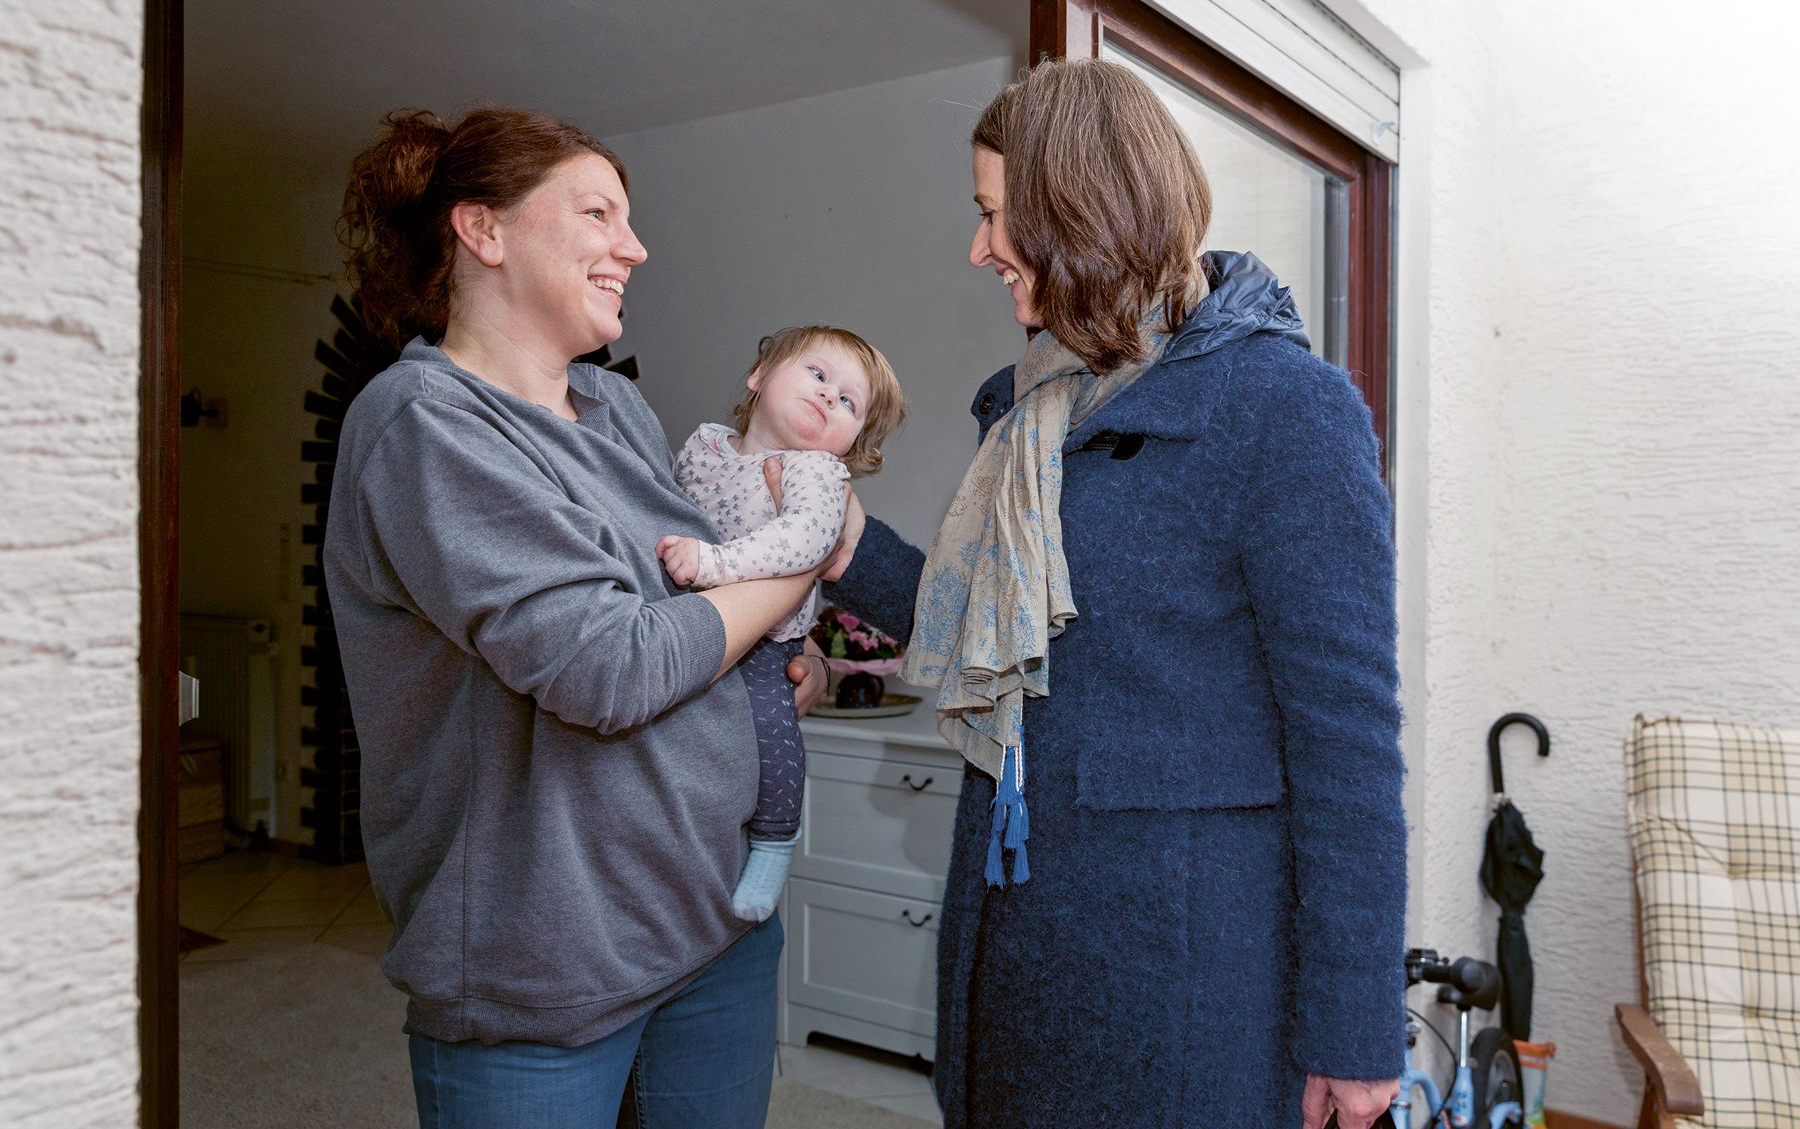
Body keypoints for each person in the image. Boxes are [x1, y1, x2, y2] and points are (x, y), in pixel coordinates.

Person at [821, 58, 1406, 1128]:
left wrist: (1354, 1025)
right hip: (1015, 930)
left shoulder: (1284, 408)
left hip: (1183, 973)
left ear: (1076, 209)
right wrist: (842, 539)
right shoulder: (1029, 412)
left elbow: (1348, 742)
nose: (979, 249)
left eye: (996, 216)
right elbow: (990, 627)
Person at [325, 106, 837, 1128]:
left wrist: (782, 656)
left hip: (717, 921)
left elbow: (689, 602)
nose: (634, 247)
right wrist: (800, 563)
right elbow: (608, 668)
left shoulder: (617, 412)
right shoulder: (425, 424)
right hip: (549, 962)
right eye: (599, 212)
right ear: (485, 232)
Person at [658, 324, 906, 921]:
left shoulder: (817, 473)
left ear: (850, 442)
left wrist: (713, 564)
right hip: (684, 624)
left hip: (767, 644)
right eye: (818, 375)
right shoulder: (706, 446)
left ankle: (774, 843)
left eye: (849, 402)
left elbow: (803, 544)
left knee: (774, 738)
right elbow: (660, 503)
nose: (829, 396)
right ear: (759, 376)